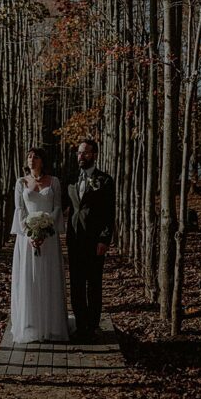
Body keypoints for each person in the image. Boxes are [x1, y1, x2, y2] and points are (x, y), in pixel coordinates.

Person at [9, 146, 70, 343]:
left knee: (48, 277)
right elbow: (20, 210)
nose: (31, 160)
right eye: (28, 157)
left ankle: (51, 325)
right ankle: (31, 325)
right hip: (27, 239)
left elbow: (58, 207)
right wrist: (30, 234)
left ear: (42, 160)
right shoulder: (21, 182)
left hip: (49, 237)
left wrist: (45, 228)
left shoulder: (54, 181)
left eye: (35, 157)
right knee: (29, 279)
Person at [66, 139, 115, 340]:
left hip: (95, 241)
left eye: (85, 153)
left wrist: (104, 239)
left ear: (94, 154)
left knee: (93, 284)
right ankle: (80, 325)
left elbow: (109, 213)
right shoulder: (70, 179)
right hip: (74, 239)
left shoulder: (104, 180)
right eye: (79, 152)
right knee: (76, 284)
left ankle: (93, 326)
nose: (81, 156)